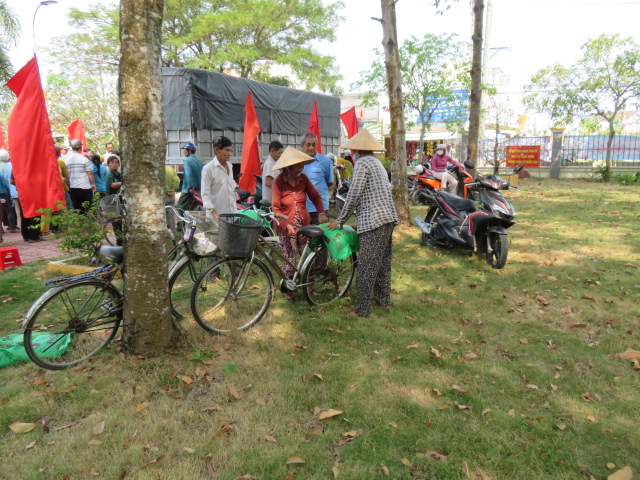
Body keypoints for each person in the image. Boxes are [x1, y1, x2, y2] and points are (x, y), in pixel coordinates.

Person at [328, 129, 398, 318]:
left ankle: (361, 310)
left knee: (366, 267)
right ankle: (383, 301)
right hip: (387, 218)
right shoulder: (376, 163)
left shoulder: (362, 163)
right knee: (382, 264)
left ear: (357, 150)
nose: (352, 153)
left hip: (376, 221)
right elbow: (374, 195)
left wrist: (341, 219)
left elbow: (354, 194)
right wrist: (360, 222)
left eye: (353, 150)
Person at [271, 147, 328, 301]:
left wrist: (321, 212)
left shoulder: (304, 179)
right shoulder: (278, 182)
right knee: (289, 259)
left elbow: (316, 197)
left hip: (303, 225)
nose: (300, 170)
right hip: (286, 227)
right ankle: (288, 291)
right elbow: (275, 209)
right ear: (288, 167)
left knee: (307, 256)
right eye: (297, 167)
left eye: (302, 166)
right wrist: (286, 225)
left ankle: (309, 286)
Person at [300, 133, 333, 225]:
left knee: (320, 232)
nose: (311, 148)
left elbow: (329, 182)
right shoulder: (297, 162)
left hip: (320, 209)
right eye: (308, 145)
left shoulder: (325, 161)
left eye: (313, 145)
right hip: (302, 208)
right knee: (303, 233)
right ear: (302, 146)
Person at [201, 136, 236, 217]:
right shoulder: (208, 169)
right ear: (216, 150)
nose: (229, 154)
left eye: (230, 150)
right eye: (226, 150)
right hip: (215, 218)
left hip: (232, 215)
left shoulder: (230, 166)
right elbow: (205, 196)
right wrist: (214, 213)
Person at [65, 139, 96, 214]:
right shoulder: (84, 159)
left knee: (77, 209)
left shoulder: (67, 160)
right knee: (87, 209)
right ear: (80, 147)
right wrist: (93, 183)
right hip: (85, 187)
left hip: (73, 187)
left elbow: (67, 175)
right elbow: (90, 173)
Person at [176, 141, 203, 213]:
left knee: (180, 209)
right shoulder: (199, 161)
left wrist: (191, 187)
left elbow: (188, 174)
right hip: (198, 190)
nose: (184, 152)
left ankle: (181, 221)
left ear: (189, 151)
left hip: (188, 190)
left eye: (185, 150)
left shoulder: (187, 160)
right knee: (194, 210)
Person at [0, 149, 18, 233]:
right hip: (2, 194)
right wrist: (9, 191)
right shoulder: (7, 166)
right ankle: (12, 227)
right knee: (9, 210)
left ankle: (1, 229)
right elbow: (5, 183)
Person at [261, 140, 284, 205]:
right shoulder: (270, 163)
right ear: (272, 151)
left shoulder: (273, 162)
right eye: (279, 153)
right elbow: (268, 182)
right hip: (271, 201)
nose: (280, 155)